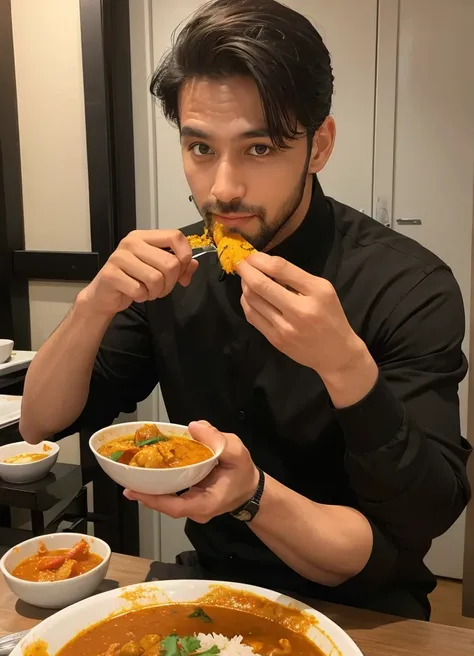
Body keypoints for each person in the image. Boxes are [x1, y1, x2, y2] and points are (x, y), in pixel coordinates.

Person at [20, 0, 471, 620]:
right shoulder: (175, 269)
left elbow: (425, 514)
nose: (222, 187)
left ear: (319, 146)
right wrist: (93, 304)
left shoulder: (409, 283)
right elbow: (41, 422)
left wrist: (344, 365)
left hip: (365, 605)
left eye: (258, 149)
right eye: (200, 147)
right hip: (209, 585)